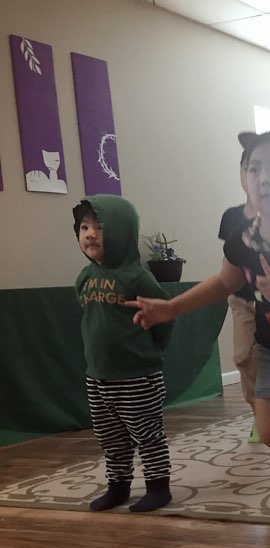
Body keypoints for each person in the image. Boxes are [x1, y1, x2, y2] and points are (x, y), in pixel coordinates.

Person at [128, 129, 270, 543]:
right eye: (255, 169)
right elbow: (223, 283)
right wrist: (170, 308)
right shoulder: (243, 239)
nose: (264, 178)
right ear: (245, 178)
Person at [73, 195, 175, 513]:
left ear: (121, 231)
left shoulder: (138, 277)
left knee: (146, 433)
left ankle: (159, 487)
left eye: (100, 228)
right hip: (98, 375)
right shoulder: (85, 277)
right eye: (84, 227)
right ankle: (118, 486)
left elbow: (165, 315)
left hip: (137, 375)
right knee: (110, 436)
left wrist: (153, 351)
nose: (90, 234)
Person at [218, 146, 259, 434]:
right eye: (248, 168)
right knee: (244, 355)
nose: (254, 175)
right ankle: (260, 411)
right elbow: (228, 264)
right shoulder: (232, 217)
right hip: (243, 298)